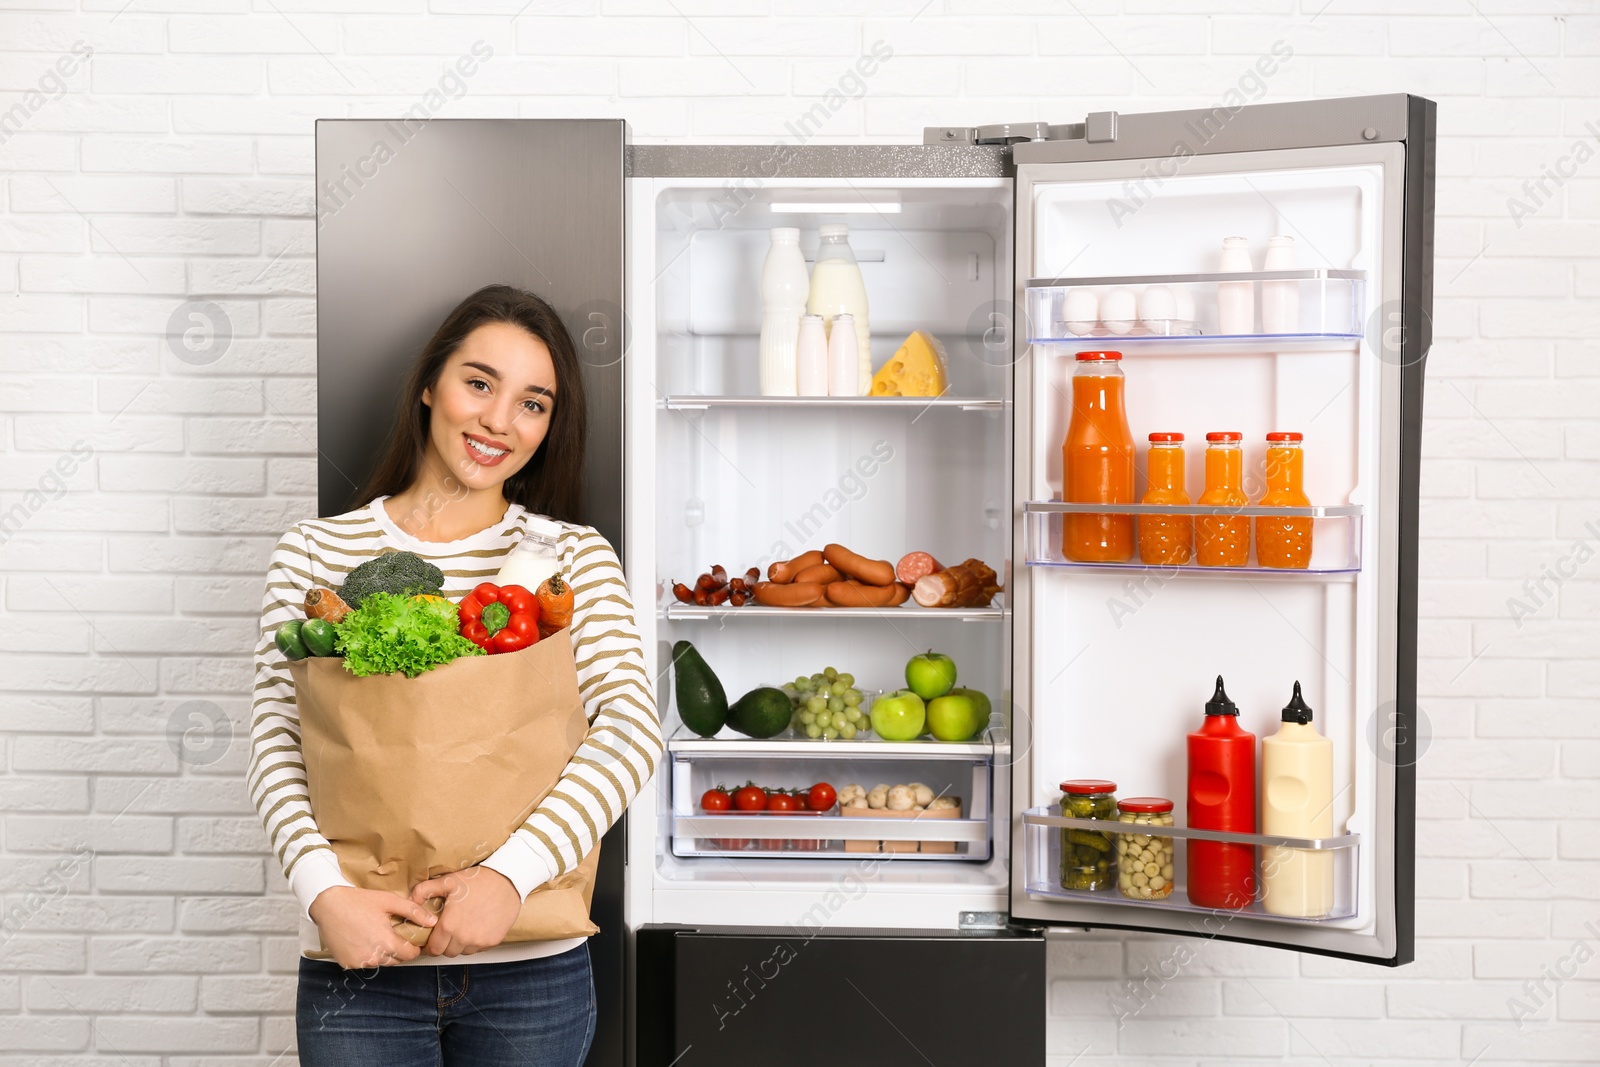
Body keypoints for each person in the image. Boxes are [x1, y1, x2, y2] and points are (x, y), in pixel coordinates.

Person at [248, 284, 661, 1066]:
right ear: (430, 384)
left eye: (533, 403)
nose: (500, 421)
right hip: (360, 961)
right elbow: (275, 742)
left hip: (531, 973)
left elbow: (632, 734)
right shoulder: (312, 552)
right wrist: (324, 893)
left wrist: (509, 877)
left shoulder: (572, 558)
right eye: (480, 383)